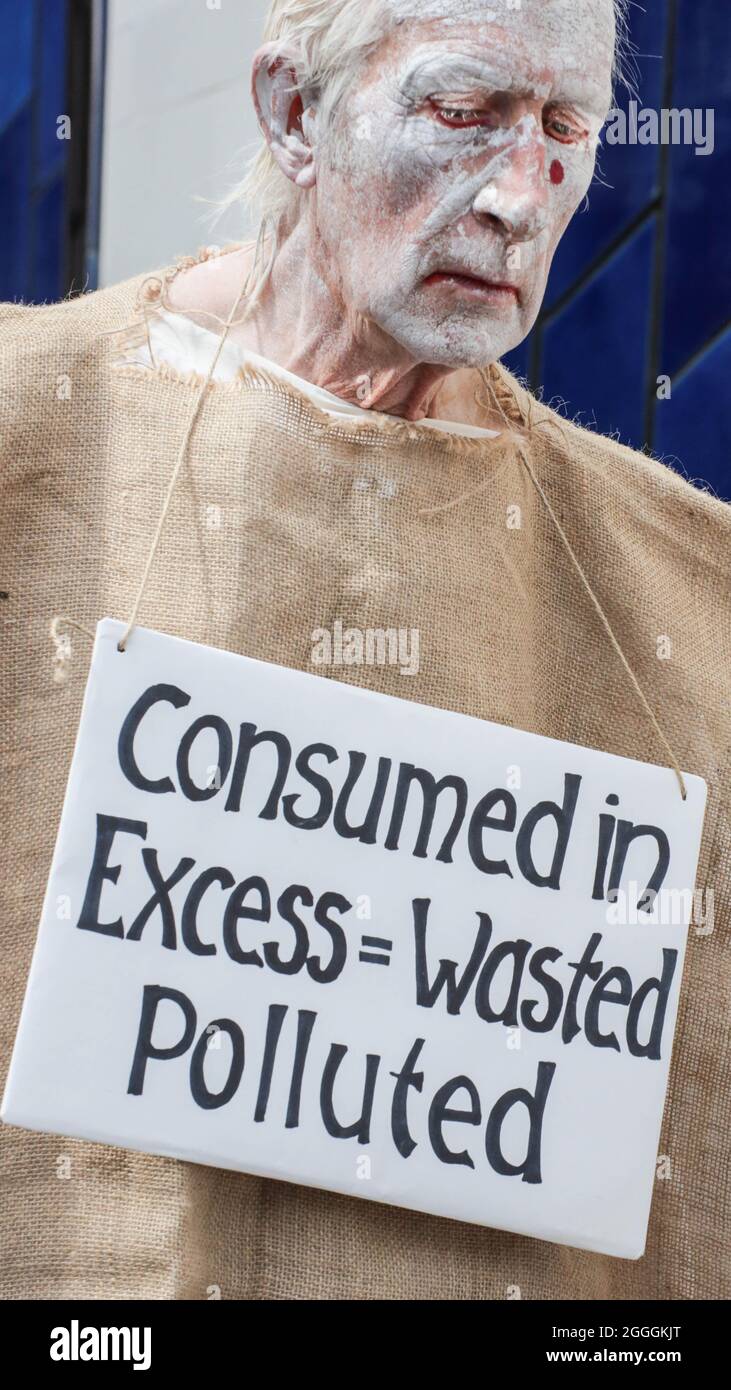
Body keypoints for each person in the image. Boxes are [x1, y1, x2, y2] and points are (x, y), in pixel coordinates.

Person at [1, 0, 729, 1301]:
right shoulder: (30, 427)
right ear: (294, 111)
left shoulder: (681, 583)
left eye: (565, 130)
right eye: (460, 114)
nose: (519, 196)